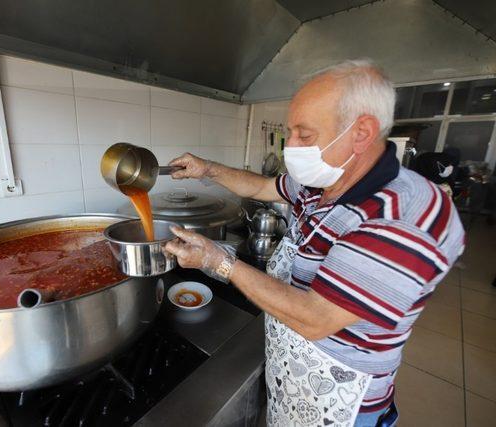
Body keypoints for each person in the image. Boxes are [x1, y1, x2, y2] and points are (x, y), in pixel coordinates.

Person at [164, 59, 465, 427]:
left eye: (304, 136)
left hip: (341, 405)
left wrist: (218, 260)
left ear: (362, 132)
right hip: (295, 377)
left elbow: (316, 319)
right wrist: (208, 169)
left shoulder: (405, 217)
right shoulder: (323, 182)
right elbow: (263, 187)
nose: (291, 147)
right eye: (290, 133)